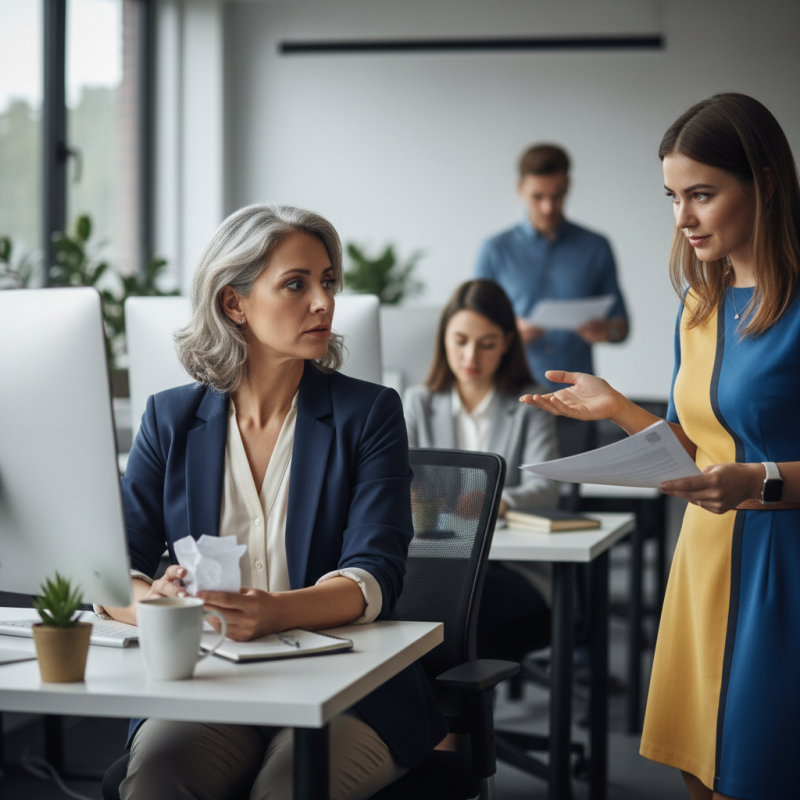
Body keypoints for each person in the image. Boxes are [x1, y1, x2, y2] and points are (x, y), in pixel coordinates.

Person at [105, 203, 447, 800]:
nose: (324, 302)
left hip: (350, 686)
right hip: (210, 681)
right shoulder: (168, 418)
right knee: (159, 783)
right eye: (296, 284)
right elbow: (113, 567)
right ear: (234, 303)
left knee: (288, 790)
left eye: (328, 282)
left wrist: (276, 611)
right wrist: (157, 604)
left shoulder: (369, 413)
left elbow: (375, 574)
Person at [521, 93, 800, 800]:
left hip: (783, 569)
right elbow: (698, 442)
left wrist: (761, 482)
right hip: (704, 559)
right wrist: (615, 407)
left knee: (757, 773)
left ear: (764, 184)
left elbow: (745, 465)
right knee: (696, 771)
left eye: (701, 194)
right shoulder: (701, 305)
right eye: (673, 197)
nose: (682, 218)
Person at [404, 278, 559, 658]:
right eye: (460, 341)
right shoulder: (418, 402)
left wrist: (493, 503)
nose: (471, 356)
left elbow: (546, 487)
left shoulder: (530, 404)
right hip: (437, 559)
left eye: (487, 344)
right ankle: (457, 711)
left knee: (459, 605)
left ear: (507, 342)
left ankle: (459, 714)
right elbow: (400, 481)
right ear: (444, 337)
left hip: (514, 568)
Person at [474, 143, 629, 394]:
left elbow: (622, 328)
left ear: (568, 186)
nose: (548, 207)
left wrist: (606, 330)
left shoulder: (597, 247)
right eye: (538, 197)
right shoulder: (494, 250)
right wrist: (508, 332)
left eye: (556, 196)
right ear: (520, 189)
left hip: (577, 396)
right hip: (512, 394)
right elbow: (475, 327)